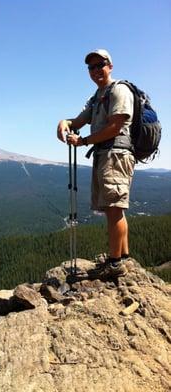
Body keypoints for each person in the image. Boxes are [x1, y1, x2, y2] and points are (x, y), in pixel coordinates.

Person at [57, 49, 135, 277]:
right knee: (115, 208)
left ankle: (114, 263)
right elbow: (79, 120)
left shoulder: (119, 90)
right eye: (91, 67)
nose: (95, 70)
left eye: (100, 65)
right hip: (106, 154)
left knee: (114, 209)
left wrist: (83, 141)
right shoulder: (98, 96)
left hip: (116, 154)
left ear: (110, 65)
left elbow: (116, 126)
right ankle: (123, 256)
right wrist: (64, 122)